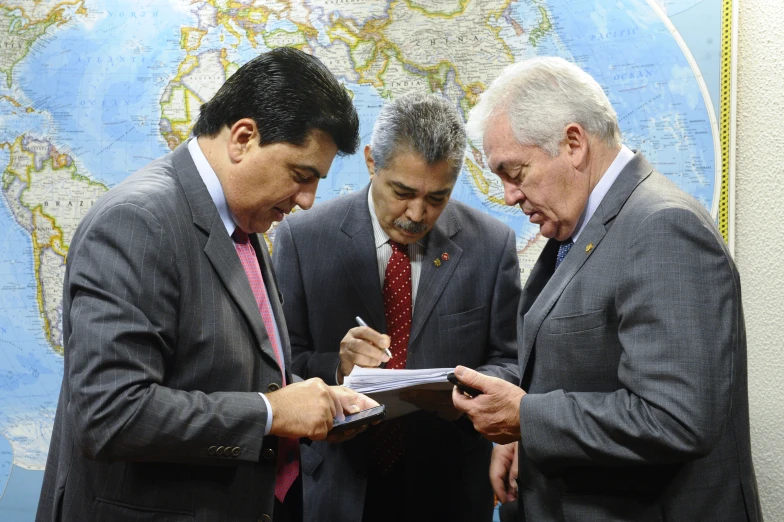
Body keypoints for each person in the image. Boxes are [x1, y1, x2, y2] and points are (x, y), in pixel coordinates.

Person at [36, 47, 378, 522]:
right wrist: (271, 413)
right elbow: (110, 415)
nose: (306, 200)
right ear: (242, 137)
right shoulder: (137, 222)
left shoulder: (243, 220)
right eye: (301, 176)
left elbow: (211, 371)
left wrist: (311, 400)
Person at [451, 56, 762, 521]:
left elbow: (675, 418)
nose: (509, 195)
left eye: (515, 173)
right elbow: (581, 367)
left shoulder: (663, 227)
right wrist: (515, 415)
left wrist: (528, 418)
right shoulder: (581, 226)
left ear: (573, 143)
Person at [272, 93, 521, 522]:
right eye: (402, 192)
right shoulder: (302, 236)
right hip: (335, 486)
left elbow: (511, 361)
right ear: (372, 162)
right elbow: (280, 366)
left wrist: (464, 388)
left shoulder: (491, 245)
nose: (417, 213)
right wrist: (337, 368)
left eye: (437, 197)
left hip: (449, 488)